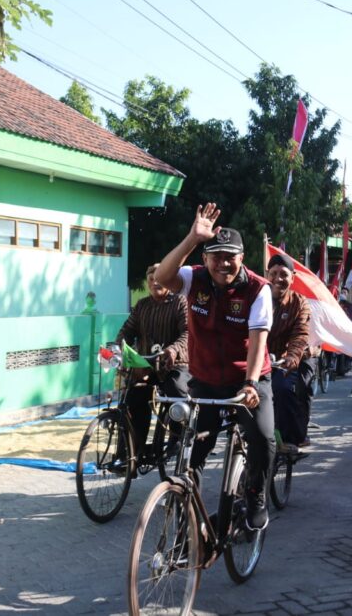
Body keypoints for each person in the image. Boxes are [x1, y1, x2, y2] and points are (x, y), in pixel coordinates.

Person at [154, 203, 275, 531]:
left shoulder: (258, 289)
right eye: (216, 256)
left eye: (230, 256)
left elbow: (258, 337)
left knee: (263, 439)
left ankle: (254, 494)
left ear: (242, 256)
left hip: (247, 382)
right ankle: (185, 523)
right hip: (206, 381)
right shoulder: (195, 279)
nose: (223, 263)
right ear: (205, 259)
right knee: (191, 452)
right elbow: (162, 276)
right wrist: (192, 238)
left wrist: (250, 384)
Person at [114, 263, 191, 459]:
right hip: (146, 364)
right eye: (151, 279)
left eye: (159, 277)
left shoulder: (180, 301)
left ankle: (177, 437)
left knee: (176, 389)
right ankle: (130, 453)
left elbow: (187, 333)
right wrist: (119, 348)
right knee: (133, 397)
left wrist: (173, 350)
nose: (155, 282)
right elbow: (127, 331)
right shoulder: (142, 306)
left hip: (175, 363)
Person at [265, 254, 314, 450]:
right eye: (273, 274)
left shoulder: (299, 303)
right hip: (260, 359)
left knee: (284, 389)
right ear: (266, 275)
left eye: (283, 274)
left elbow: (300, 334)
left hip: (291, 359)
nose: (278, 279)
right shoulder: (256, 297)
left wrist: (293, 356)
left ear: (293, 278)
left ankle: (291, 440)